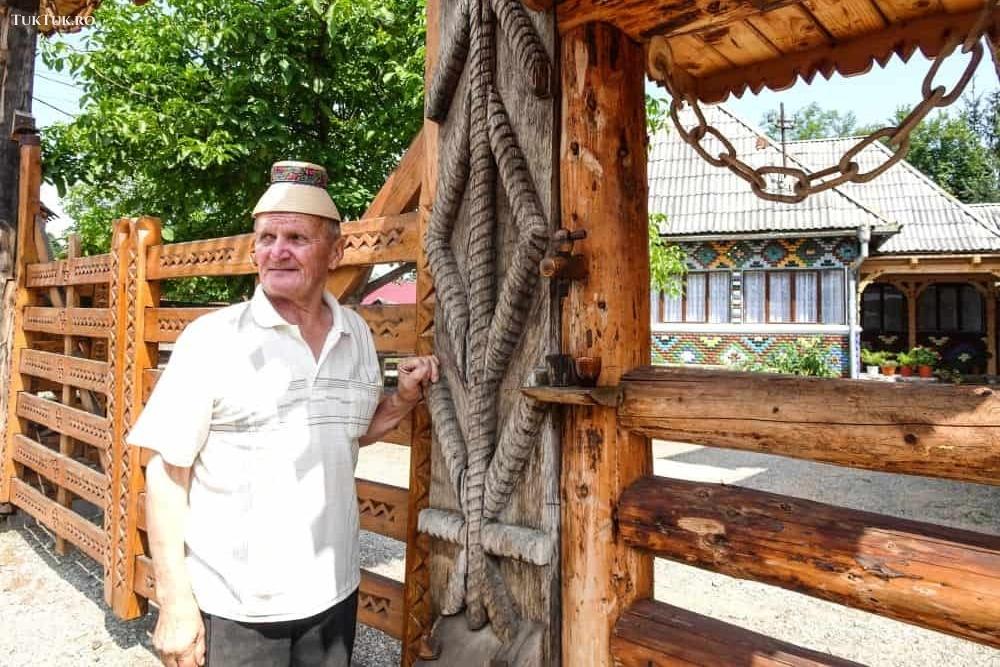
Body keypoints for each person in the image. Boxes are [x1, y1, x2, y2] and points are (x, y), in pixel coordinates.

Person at [129, 161, 438, 667]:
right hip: (235, 605)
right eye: (267, 237)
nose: (278, 250)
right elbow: (167, 474)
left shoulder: (356, 335)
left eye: (297, 236)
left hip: (333, 596)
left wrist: (402, 399)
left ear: (336, 252)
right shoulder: (212, 340)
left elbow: (349, 436)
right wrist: (176, 603)